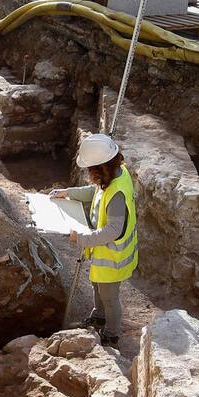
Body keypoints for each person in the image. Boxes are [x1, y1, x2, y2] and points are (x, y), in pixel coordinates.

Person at [49, 133, 137, 349]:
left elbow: (114, 230)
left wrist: (82, 238)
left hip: (113, 255)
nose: (89, 175)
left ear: (100, 168)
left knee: (109, 297)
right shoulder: (115, 174)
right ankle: (99, 316)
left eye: (90, 171)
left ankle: (111, 334)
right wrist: (68, 193)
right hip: (104, 253)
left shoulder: (116, 193)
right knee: (98, 285)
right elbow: (94, 192)